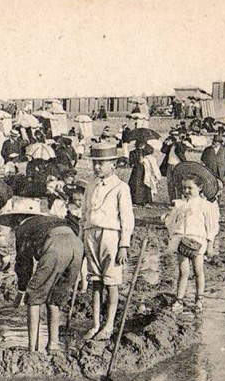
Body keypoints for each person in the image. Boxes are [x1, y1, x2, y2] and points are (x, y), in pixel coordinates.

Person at [80, 142, 134, 341]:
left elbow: (127, 218)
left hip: (111, 235)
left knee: (111, 282)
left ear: (113, 164)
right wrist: (81, 239)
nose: (97, 167)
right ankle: (95, 324)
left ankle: (109, 325)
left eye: (101, 163)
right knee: (95, 281)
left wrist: (124, 245)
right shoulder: (91, 185)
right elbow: (84, 214)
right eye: (95, 163)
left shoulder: (121, 187)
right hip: (91, 233)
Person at [13, 211, 84, 353]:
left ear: (18, 220)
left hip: (55, 247)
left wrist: (22, 290)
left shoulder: (23, 228)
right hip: (77, 246)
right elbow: (76, 228)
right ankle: (53, 344)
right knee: (55, 299)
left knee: (34, 298)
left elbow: (24, 263)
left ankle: (32, 349)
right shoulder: (51, 220)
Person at [163, 174, 219, 313]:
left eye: (190, 188)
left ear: (200, 188)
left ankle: (199, 299)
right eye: (184, 188)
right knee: (183, 271)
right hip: (182, 240)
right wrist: (169, 231)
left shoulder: (205, 206)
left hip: (197, 241)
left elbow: (211, 227)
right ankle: (179, 299)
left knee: (198, 270)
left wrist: (210, 246)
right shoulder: (180, 204)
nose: (186, 191)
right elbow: (171, 222)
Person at [128, 141, 161, 206]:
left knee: (146, 183)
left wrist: (144, 150)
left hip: (145, 169)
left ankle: (146, 201)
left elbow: (151, 151)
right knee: (136, 184)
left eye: (142, 144)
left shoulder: (146, 151)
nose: (140, 146)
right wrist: (137, 160)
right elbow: (131, 162)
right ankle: (135, 200)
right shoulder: (133, 152)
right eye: (139, 144)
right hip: (137, 170)